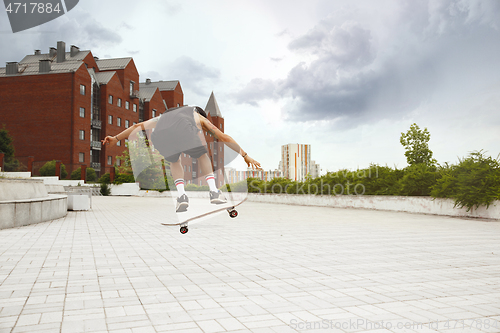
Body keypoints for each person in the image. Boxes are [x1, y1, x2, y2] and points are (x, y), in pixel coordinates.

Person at [102, 106, 261, 212]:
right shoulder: (197, 115)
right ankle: (214, 192)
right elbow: (224, 137)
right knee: (202, 155)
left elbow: (138, 126)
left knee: (174, 160)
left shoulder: (164, 116)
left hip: (160, 136)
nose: (202, 130)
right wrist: (246, 156)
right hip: (183, 131)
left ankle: (181, 196)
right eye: (202, 129)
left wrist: (116, 138)